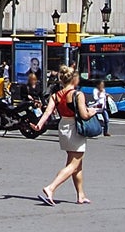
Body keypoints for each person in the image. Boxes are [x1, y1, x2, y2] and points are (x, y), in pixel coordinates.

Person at [35, 65, 94, 205]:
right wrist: (93, 112)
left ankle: (81, 195)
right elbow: (84, 115)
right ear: (74, 79)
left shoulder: (56, 95)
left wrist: (39, 125)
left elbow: (48, 112)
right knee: (74, 164)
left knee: (76, 163)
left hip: (63, 127)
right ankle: (51, 188)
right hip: (75, 128)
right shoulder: (78, 94)